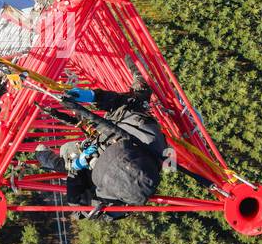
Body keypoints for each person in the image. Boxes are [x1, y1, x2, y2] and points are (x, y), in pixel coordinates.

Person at [34, 77, 167, 218]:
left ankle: (47, 158)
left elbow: (79, 205)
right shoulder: (146, 138)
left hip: (124, 149)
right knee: (129, 104)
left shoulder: (113, 198)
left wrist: (76, 167)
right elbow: (122, 105)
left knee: (67, 159)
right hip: (128, 136)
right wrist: (91, 96)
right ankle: (48, 158)